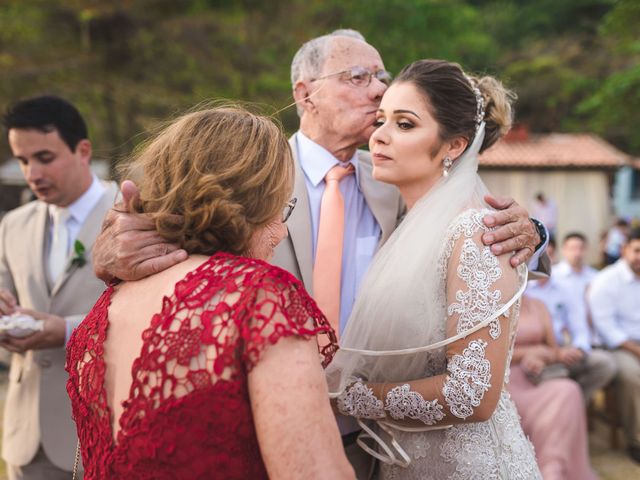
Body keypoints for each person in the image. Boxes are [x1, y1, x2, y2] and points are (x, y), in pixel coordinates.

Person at [89, 30, 548, 476]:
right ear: (305, 94)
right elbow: (152, 231)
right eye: (358, 77)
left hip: (382, 444)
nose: (377, 90)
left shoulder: (396, 181)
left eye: (382, 78)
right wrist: (109, 252)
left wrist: (535, 233)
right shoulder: (243, 176)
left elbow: (467, 240)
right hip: (254, 433)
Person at [65, 106, 354, 479]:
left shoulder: (107, 305)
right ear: (251, 202)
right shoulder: (259, 296)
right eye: (280, 208)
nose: (281, 232)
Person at [324, 59, 540, 478]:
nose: (379, 136)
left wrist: (341, 397)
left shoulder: (480, 230)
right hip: (401, 461)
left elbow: (471, 394)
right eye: (381, 120)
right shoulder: (399, 213)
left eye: (404, 124)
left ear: (454, 146)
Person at [0, 96, 118, 480]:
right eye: (22, 161)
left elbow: (152, 315)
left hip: (103, 432)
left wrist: (66, 330)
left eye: (44, 158)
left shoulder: (132, 215)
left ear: (83, 150)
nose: (32, 173)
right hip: (25, 436)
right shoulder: (12, 225)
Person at [508, 295, 596, 479]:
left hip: (536, 377)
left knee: (568, 390)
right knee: (560, 398)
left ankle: (553, 469)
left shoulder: (538, 305)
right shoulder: (493, 304)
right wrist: (526, 353)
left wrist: (542, 358)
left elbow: (552, 348)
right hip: (505, 380)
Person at [589, 227, 640, 464]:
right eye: (637, 251)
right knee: (633, 375)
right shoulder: (606, 281)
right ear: (624, 250)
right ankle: (636, 440)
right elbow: (607, 330)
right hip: (616, 347)